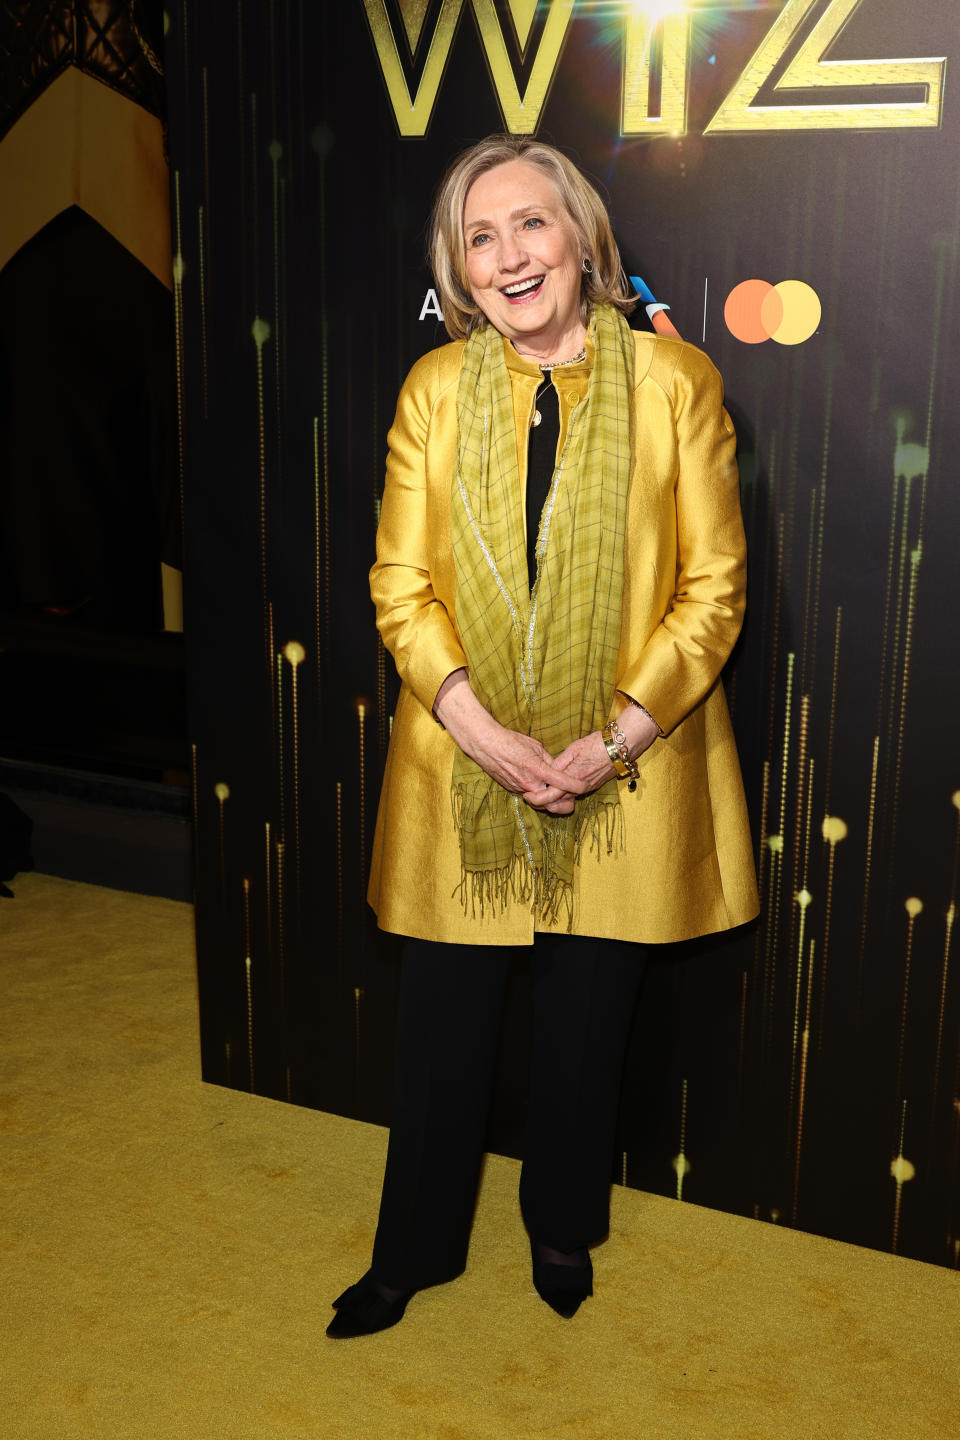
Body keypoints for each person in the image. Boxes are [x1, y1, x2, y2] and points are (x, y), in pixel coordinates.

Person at [327, 135, 759, 1339]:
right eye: (480, 237)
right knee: (442, 1027)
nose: (510, 257)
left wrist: (607, 742)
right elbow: (400, 588)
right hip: (463, 755)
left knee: (586, 1022)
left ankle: (560, 1228)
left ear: (582, 241)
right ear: (457, 270)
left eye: (531, 226)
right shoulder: (433, 389)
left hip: (629, 760)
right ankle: (409, 1253)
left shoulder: (678, 385)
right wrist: (481, 730)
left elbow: (714, 588)